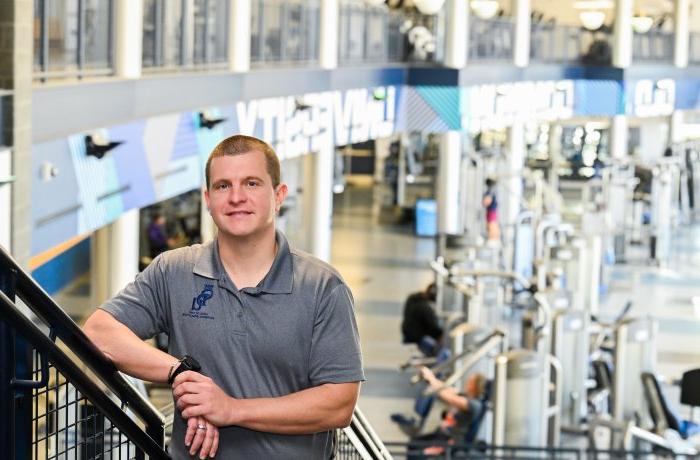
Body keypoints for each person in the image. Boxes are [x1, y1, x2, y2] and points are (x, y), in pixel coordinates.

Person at [83, 135, 365, 459]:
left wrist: (231, 409)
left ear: (279, 195)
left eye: (252, 183)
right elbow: (99, 332)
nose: (236, 197)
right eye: (222, 186)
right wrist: (180, 373)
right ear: (208, 198)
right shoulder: (174, 271)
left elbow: (339, 404)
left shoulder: (322, 287)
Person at [411, 368, 488, 457]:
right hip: (445, 436)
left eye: (470, 382)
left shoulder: (475, 404)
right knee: (413, 443)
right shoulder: (465, 396)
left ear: (476, 386)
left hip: (454, 443)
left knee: (417, 454)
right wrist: (431, 378)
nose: (467, 383)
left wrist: (431, 379)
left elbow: (450, 398)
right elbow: (445, 388)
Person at [401, 283, 443, 353]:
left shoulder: (412, 298)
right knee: (437, 351)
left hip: (407, 333)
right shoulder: (425, 307)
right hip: (417, 338)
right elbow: (432, 326)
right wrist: (440, 335)